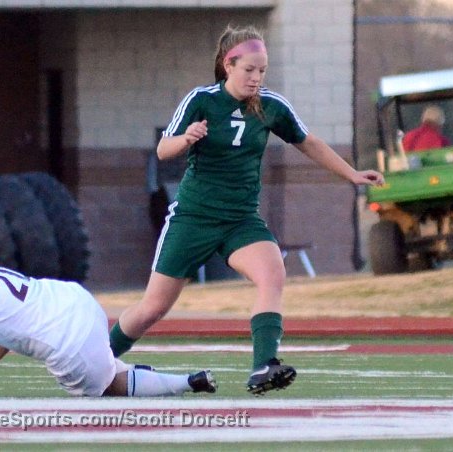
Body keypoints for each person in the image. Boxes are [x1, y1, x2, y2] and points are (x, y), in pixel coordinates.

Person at [108, 25, 384, 396]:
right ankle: (98, 357)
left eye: (262, 70)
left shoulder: (271, 106)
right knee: (153, 308)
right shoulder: (202, 100)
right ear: (229, 66)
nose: (256, 77)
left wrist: (351, 173)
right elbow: (163, 149)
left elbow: (309, 142)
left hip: (240, 220)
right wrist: (186, 138)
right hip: (194, 218)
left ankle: (264, 365)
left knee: (273, 275)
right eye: (249, 69)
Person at [0, 243, 217, 398]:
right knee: (104, 366)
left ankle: (184, 383)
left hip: (67, 338)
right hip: (78, 302)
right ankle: (171, 378)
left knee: (108, 388)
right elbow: (14, 323)